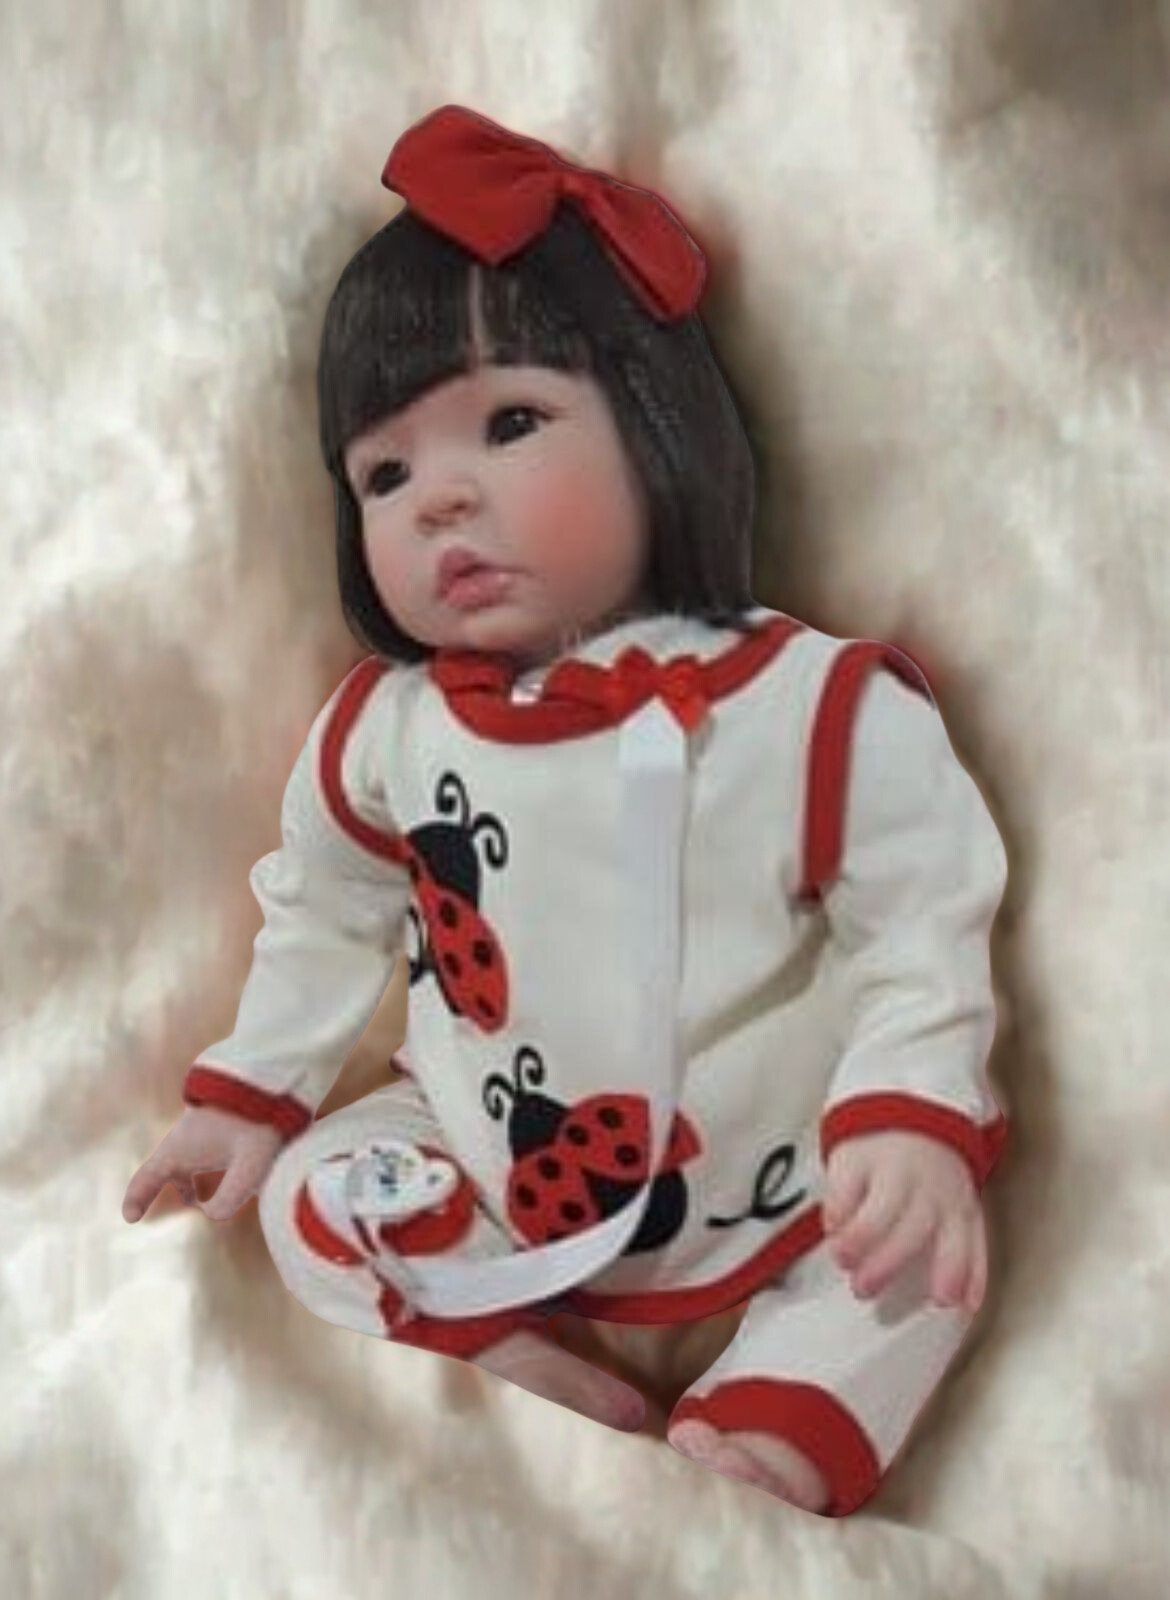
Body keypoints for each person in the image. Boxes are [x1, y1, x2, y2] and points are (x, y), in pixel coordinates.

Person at [122, 104, 1009, 1517]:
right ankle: (519, 1360)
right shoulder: (387, 729)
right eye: (385, 474)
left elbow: (920, 921)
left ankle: (762, 1436)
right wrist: (249, 1091)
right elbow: (327, 906)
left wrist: (905, 1116)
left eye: (511, 423)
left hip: (784, 1177)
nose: (440, 501)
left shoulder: (810, 702)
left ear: (657, 425)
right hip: (492, 1160)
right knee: (311, 1197)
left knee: (918, 1268)